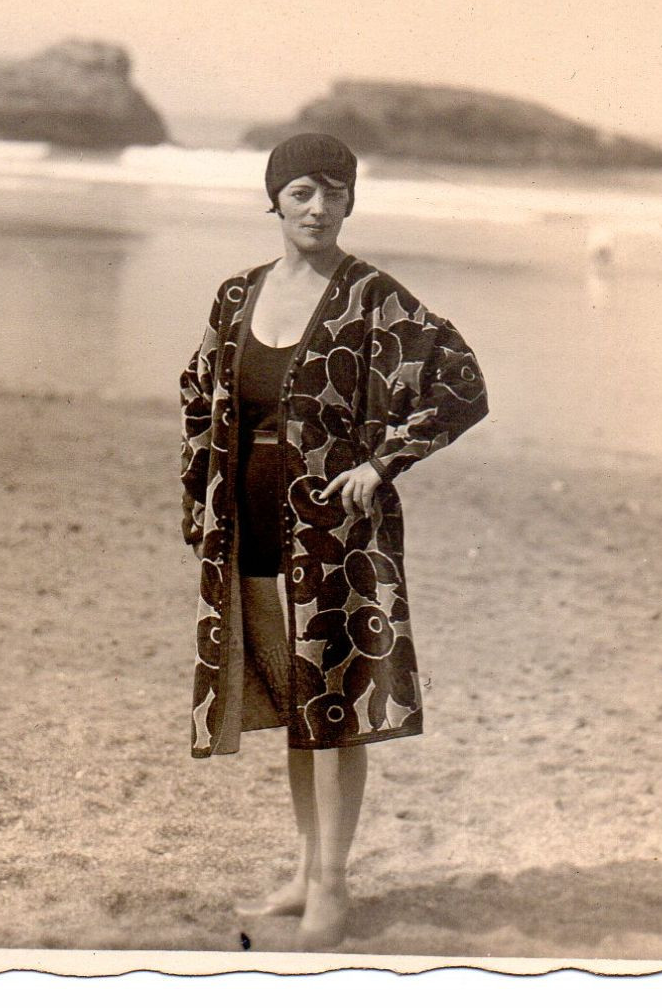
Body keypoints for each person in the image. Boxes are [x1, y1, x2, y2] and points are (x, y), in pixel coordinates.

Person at [178, 133, 489, 948]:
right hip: (248, 515)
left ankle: (332, 885)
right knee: (292, 701)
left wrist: (383, 463)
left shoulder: (372, 296)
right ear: (274, 198)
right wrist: (200, 502)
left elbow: (461, 382)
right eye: (303, 191)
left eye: (335, 192)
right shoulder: (234, 296)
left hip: (335, 532)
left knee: (335, 704)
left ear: (351, 202)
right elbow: (197, 392)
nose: (318, 207)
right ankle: (303, 869)